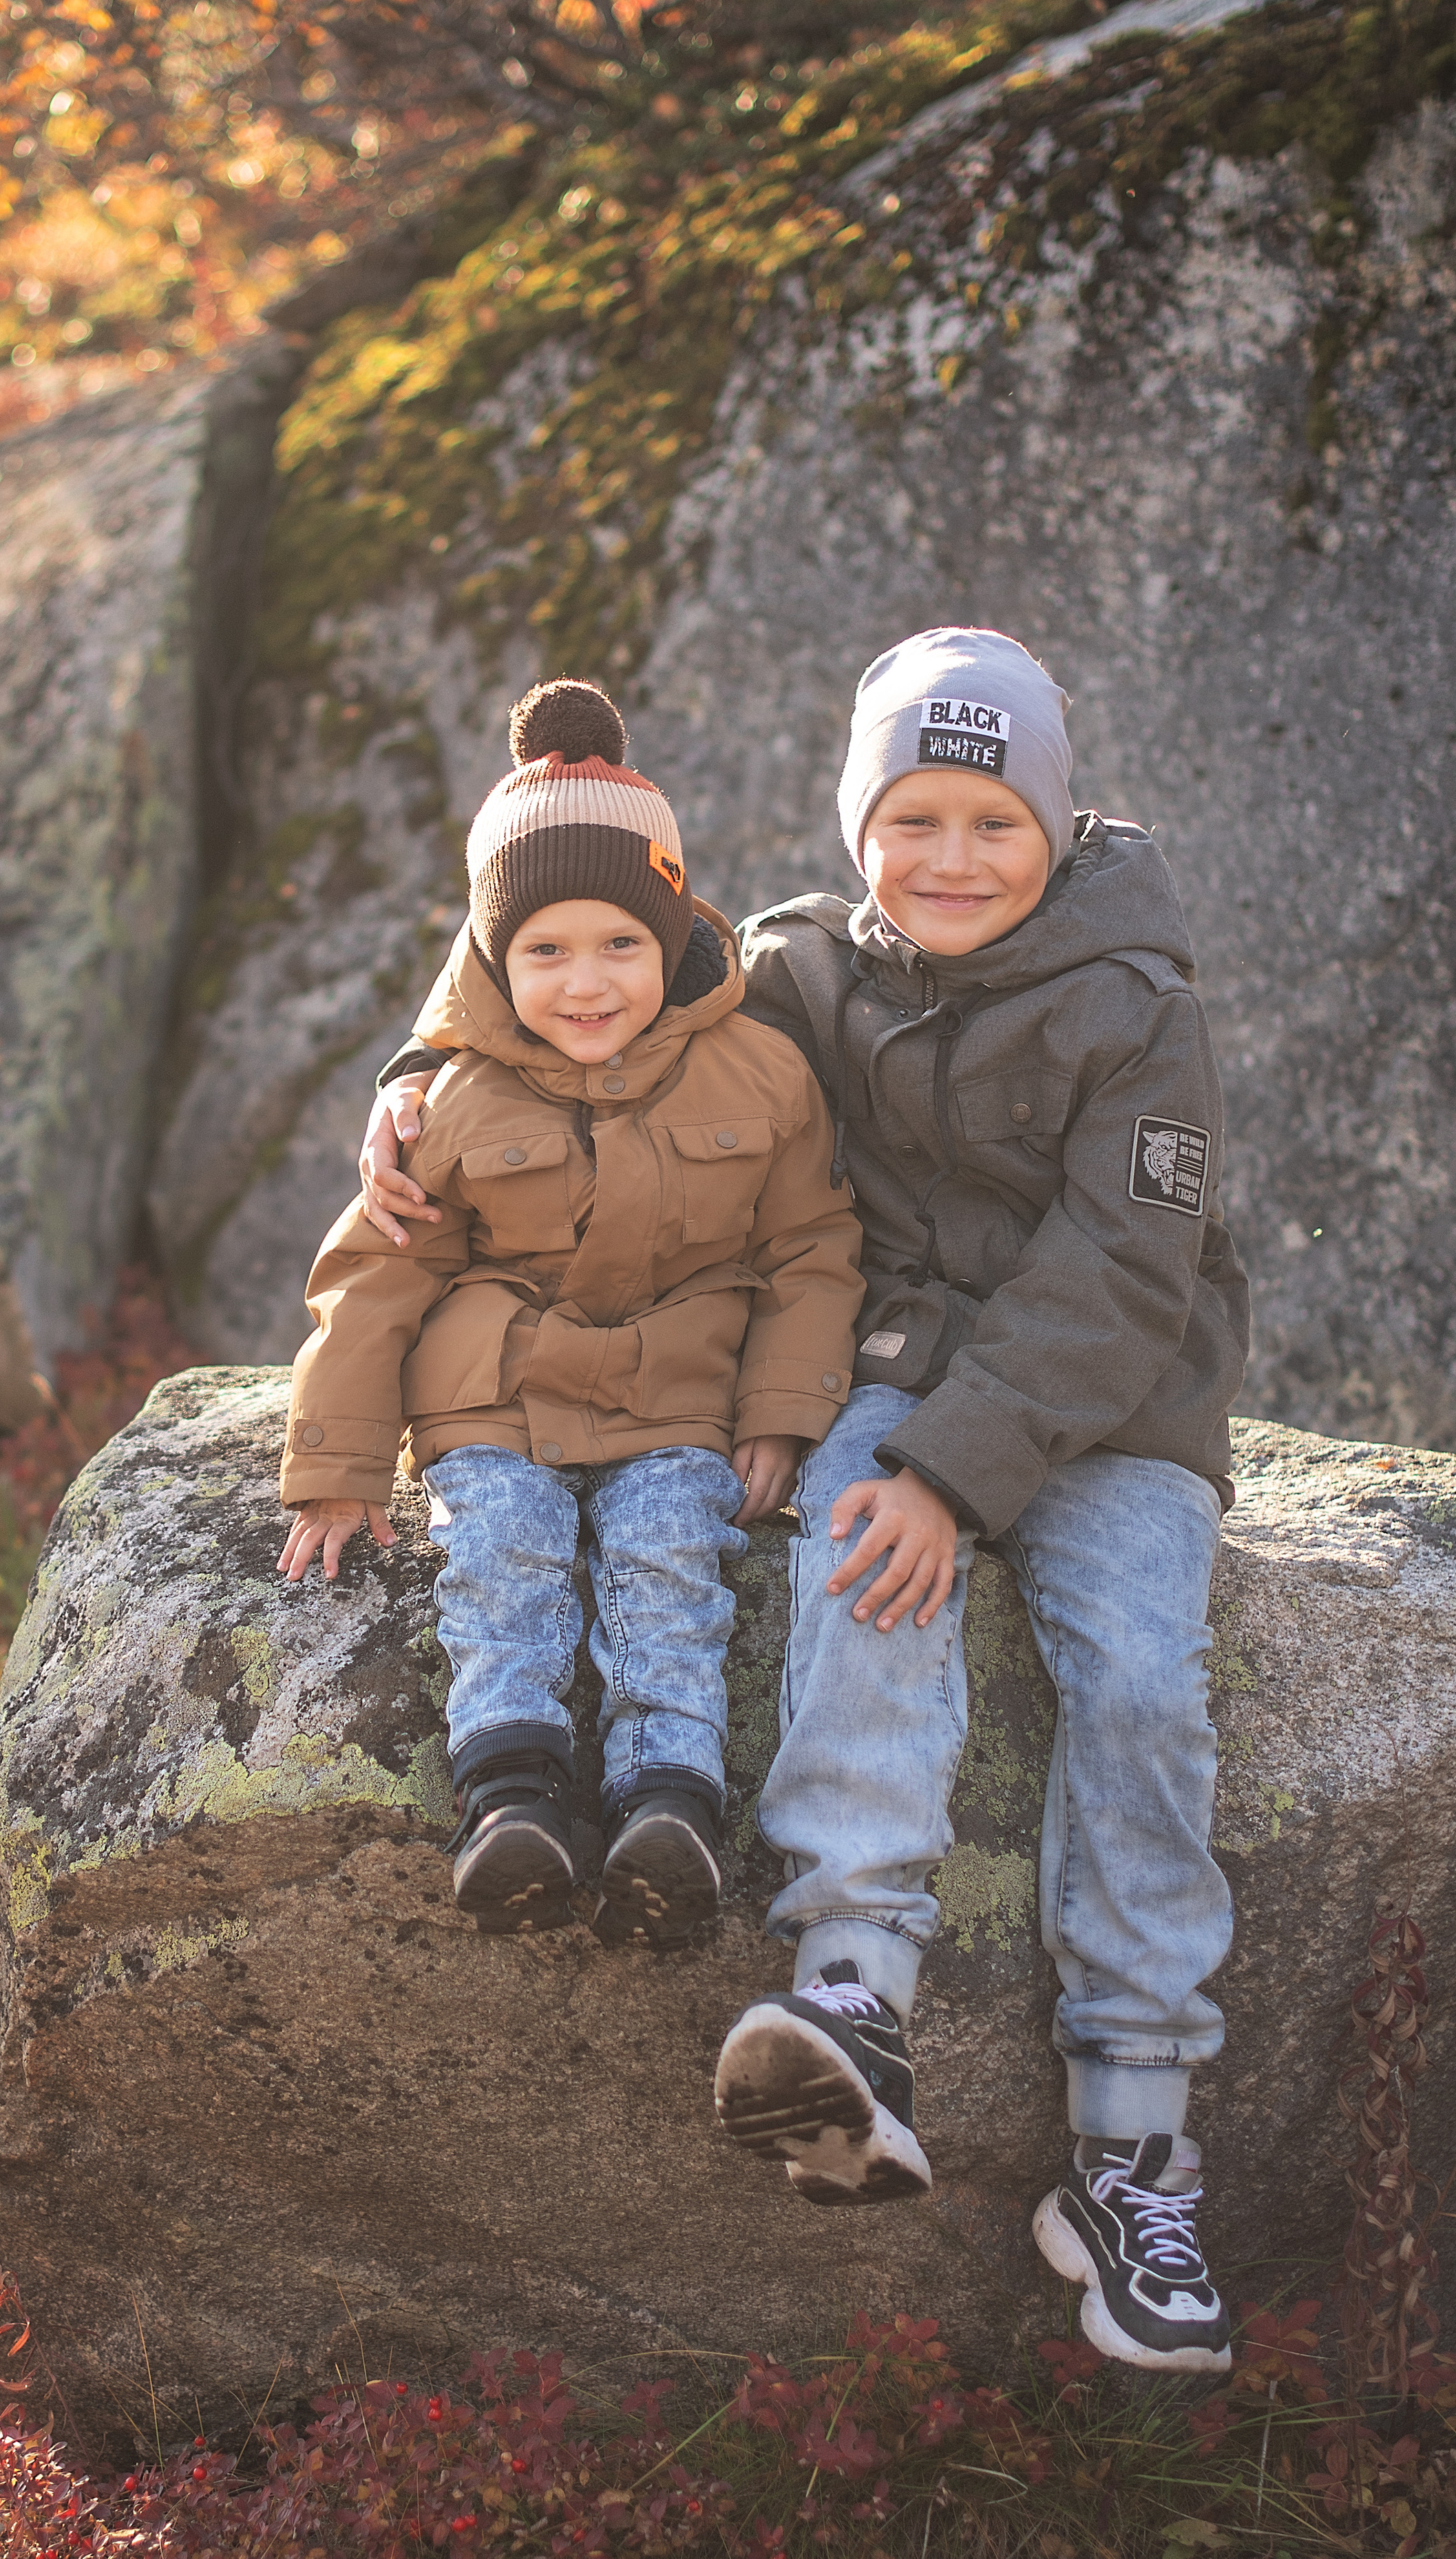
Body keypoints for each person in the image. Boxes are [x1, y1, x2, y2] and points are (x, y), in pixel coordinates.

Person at [359, 635, 1251, 2371]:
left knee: (1140, 1680)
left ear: (1054, 830)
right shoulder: (790, 967)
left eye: (991, 821)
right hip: (891, 1364)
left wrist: (947, 1472)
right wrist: (408, 1080)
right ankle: (855, 1994)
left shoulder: (1143, 1009)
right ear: (857, 825)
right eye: (909, 817)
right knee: (863, 1573)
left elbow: (1125, 1272)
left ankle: (1133, 2147)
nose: (949, 859)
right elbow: (564, 954)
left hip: (1119, 1407)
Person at [281, 679, 864, 1955]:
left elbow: (813, 1250)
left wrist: (781, 1414)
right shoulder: (453, 1099)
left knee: (669, 1566)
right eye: (544, 951)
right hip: (495, 1395)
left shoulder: (760, 1071)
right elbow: (372, 1275)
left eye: (620, 946)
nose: (586, 983)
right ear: (493, 957)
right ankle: (513, 1797)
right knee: (505, 1560)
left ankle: (671, 1805)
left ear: (675, 936)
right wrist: (335, 1468)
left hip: (678, 1394)